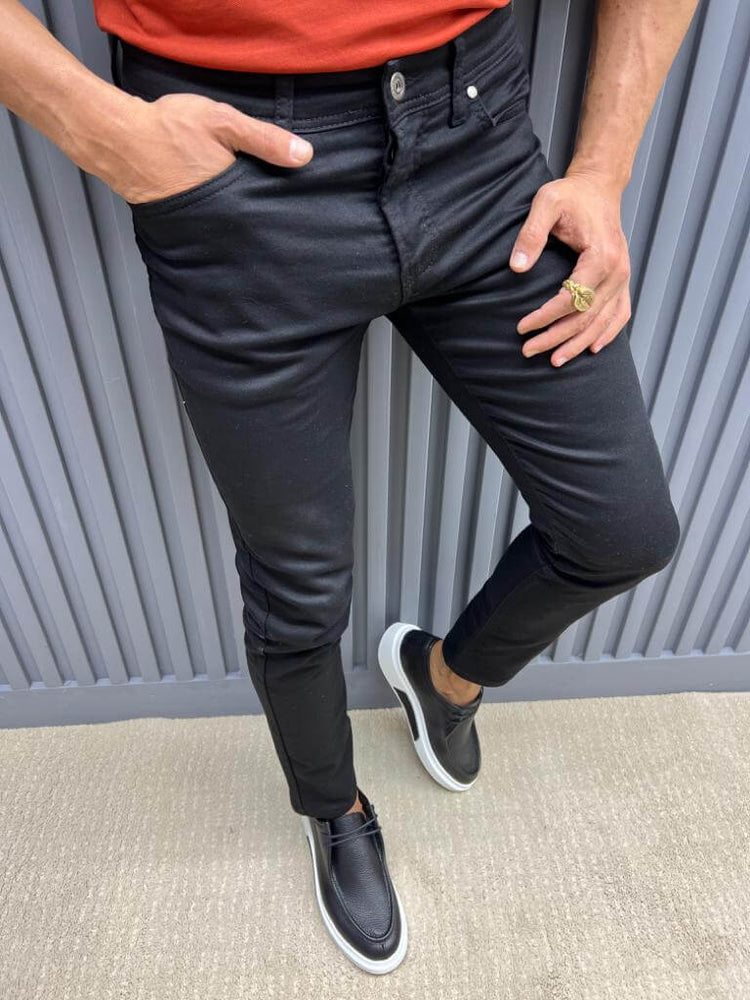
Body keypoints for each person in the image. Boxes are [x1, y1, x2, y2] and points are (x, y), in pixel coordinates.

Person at [1, 0, 697, 975]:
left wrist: (604, 169)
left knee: (623, 530)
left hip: (480, 146)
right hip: (235, 176)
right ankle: (334, 809)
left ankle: (442, 678)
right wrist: (104, 131)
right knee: (299, 591)